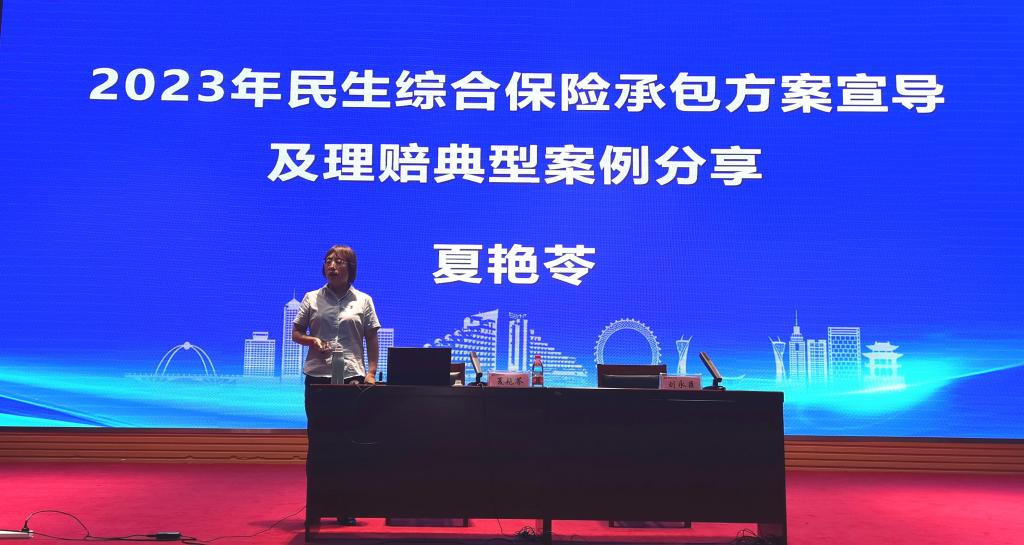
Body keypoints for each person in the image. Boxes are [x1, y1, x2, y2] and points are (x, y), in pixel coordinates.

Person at [292, 245, 380, 527]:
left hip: (351, 378)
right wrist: (312, 340)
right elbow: (296, 332)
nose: (332, 265)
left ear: (350, 268)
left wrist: (371, 372)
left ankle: (345, 505)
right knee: (319, 443)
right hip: (319, 377)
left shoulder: (363, 300)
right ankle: (317, 506)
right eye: (328, 261)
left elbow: (372, 338)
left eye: (339, 261)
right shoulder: (312, 298)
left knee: (347, 444)